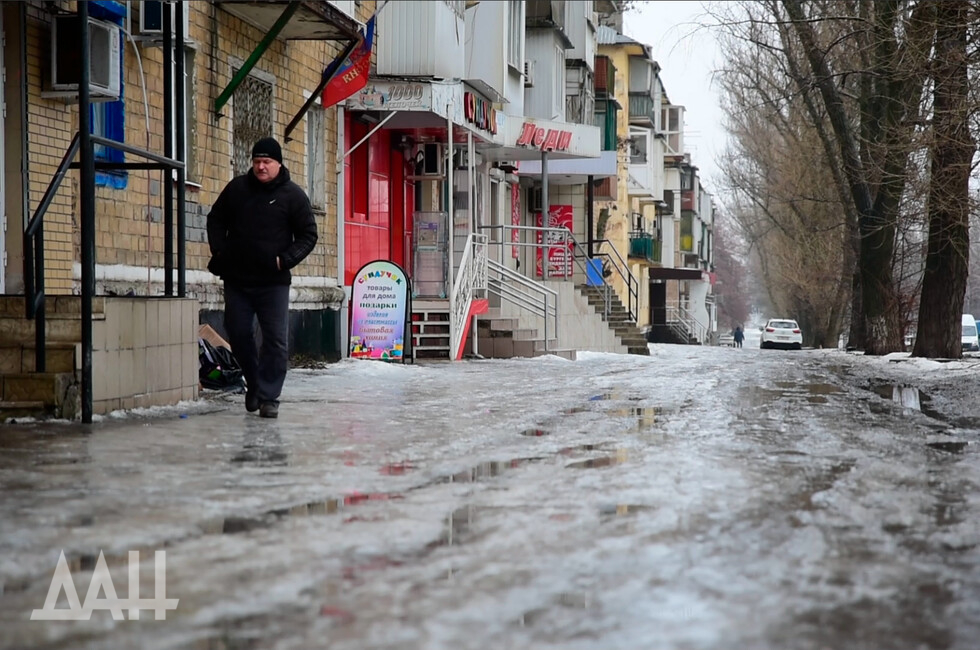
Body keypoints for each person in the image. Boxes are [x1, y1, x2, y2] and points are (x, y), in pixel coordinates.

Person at [207, 137, 318, 418]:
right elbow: (215, 219)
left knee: (274, 340)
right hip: (238, 279)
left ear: (278, 164)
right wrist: (219, 251)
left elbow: (308, 235)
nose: (261, 167)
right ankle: (255, 384)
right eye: (257, 161)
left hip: (273, 282)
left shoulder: (293, 196)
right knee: (239, 332)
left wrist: (284, 259)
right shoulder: (237, 189)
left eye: (266, 162)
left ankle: (269, 398)